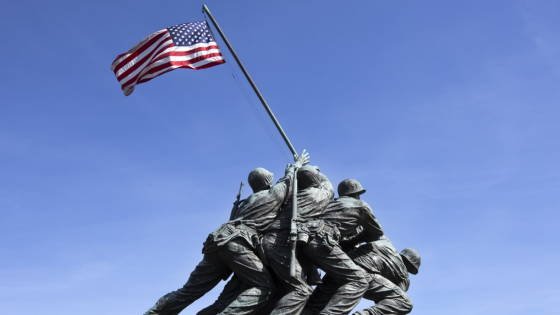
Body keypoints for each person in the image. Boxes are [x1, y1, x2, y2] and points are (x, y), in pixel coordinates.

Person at [143, 151, 309, 315]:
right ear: (269, 181)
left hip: (217, 241)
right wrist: (297, 164)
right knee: (264, 286)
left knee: (189, 291)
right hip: (236, 243)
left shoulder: (246, 202)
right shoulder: (272, 194)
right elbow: (288, 181)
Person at [264, 177, 384, 315]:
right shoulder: (360, 205)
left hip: (304, 241)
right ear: (357, 194)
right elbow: (377, 232)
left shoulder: (331, 204)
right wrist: (351, 242)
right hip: (322, 242)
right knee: (359, 281)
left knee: (294, 289)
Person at [303, 236, 421, 315]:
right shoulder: (404, 275)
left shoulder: (384, 241)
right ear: (410, 266)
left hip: (341, 267)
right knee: (404, 302)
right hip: (363, 275)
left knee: (312, 308)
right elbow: (388, 302)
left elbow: (363, 232)